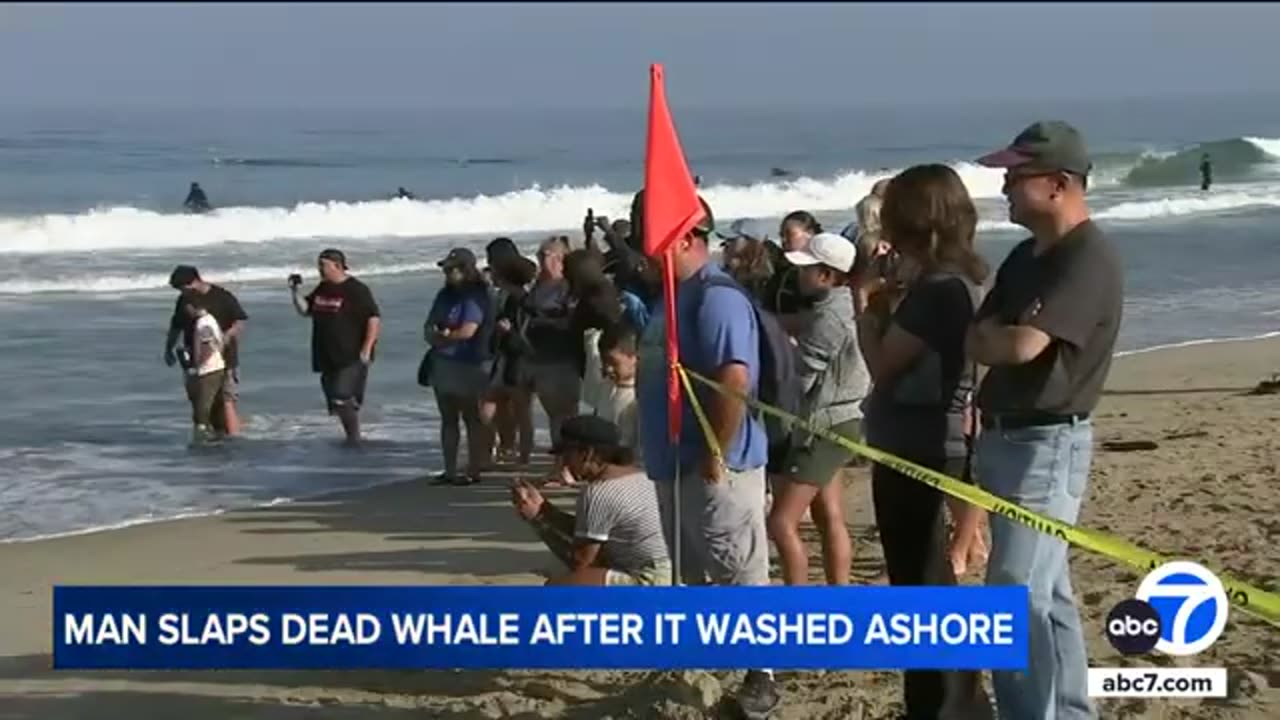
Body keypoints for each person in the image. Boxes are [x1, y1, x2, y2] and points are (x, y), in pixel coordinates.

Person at [969, 121, 1123, 720]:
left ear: (1058, 184)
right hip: (1004, 435)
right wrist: (997, 337)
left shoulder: (1090, 257)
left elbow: (1021, 346)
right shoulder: (1025, 257)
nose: (1005, 185)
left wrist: (999, 337)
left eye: (1016, 176)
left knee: (1012, 597)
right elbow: (979, 337)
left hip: (1048, 443)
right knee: (1046, 594)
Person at [856, 164, 992, 720]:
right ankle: (955, 702)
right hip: (927, 438)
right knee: (928, 582)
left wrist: (862, 300)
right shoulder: (954, 280)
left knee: (921, 587)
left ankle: (943, 706)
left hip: (916, 445)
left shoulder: (939, 289)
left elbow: (883, 365)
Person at [635, 195, 779, 717]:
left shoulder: (715, 298)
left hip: (718, 464)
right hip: (672, 462)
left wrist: (715, 452)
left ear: (685, 238)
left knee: (738, 570)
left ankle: (761, 674)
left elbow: (734, 378)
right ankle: (707, 663)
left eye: (652, 244)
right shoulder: (670, 297)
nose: (645, 256)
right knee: (691, 571)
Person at [768, 232, 868, 587]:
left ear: (826, 275)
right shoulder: (838, 307)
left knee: (780, 522)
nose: (799, 275)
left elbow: (803, 375)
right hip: (843, 419)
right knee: (829, 515)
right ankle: (837, 595)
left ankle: (798, 605)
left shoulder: (831, 318)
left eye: (806, 269)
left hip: (826, 422)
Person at [510, 415, 671, 586]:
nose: (564, 464)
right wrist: (545, 511)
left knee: (557, 589)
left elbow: (581, 563)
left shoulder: (599, 492)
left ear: (587, 453)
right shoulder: (643, 476)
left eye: (567, 456)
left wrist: (538, 522)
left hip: (649, 582)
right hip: (671, 574)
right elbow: (589, 530)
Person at [290, 249, 382, 446]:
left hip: (352, 354)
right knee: (336, 401)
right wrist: (294, 291)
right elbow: (306, 310)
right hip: (326, 354)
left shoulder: (356, 289)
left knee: (341, 396)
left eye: (323, 265)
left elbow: (373, 319)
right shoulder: (323, 287)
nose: (319, 270)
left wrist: (367, 348)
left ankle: (354, 439)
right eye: (319, 265)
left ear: (338, 266)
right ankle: (353, 434)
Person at [426, 248, 494, 486]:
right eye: (445, 269)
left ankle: (473, 468)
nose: (446, 274)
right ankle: (450, 469)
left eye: (450, 269)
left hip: (469, 362)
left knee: (471, 417)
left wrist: (444, 335)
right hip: (443, 361)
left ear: (465, 270)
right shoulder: (444, 295)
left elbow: (468, 330)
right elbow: (429, 327)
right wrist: (439, 336)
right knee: (448, 418)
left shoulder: (476, 295)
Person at [164, 265, 248, 436]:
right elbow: (176, 326)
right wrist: (168, 349)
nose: (182, 292)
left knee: (226, 399)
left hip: (225, 357)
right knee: (200, 402)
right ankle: (214, 436)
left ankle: (234, 438)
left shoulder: (222, 297)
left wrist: (226, 336)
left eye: (183, 288)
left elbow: (240, 321)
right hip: (194, 360)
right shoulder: (184, 300)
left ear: (195, 281)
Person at [520, 237, 581, 446]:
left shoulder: (568, 287)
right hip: (538, 358)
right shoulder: (539, 285)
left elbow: (571, 323)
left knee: (564, 415)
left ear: (560, 258)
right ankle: (560, 464)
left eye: (544, 255)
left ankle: (565, 466)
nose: (539, 260)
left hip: (561, 359)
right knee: (554, 415)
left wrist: (541, 320)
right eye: (538, 255)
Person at [482, 240, 538, 467]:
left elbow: (528, 336)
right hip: (507, 358)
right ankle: (508, 450)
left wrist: (508, 332)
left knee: (519, 409)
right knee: (507, 407)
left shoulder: (520, 300)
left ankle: (521, 455)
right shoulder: (508, 297)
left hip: (519, 360)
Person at [178, 293, 228, 445]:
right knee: (215, 408)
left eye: (186, 307)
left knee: (202, 408)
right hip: (216, 367)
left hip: (209, 370)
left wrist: (196, 366)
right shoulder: (209, 320)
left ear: (192, 306)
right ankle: (219, 437)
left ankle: (202, 442)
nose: (185, 311)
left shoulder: (203, 323)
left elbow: (207, 347)